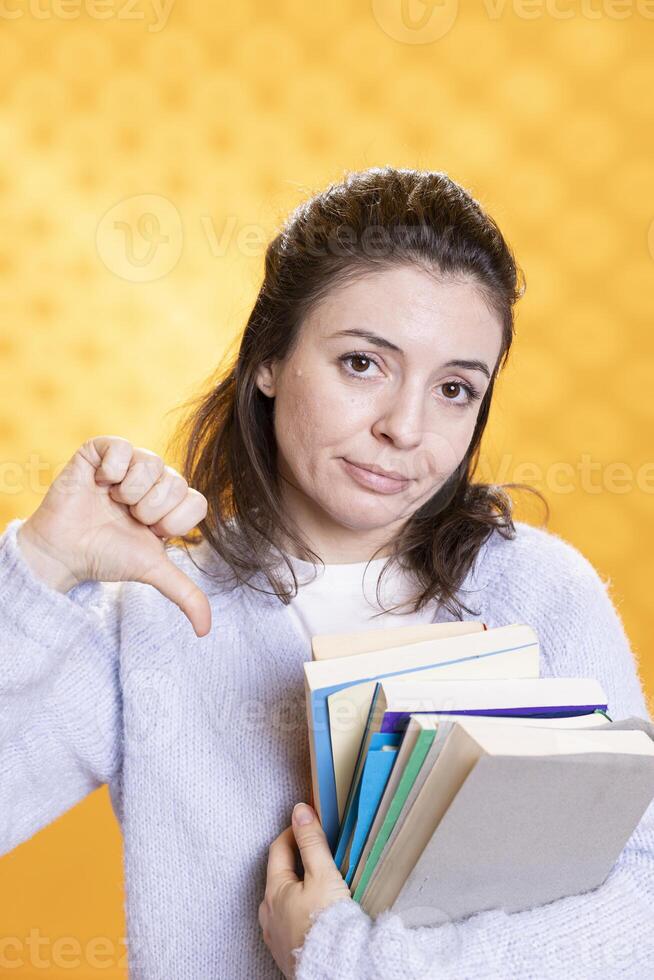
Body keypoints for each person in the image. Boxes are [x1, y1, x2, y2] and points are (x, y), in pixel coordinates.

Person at [1, 166, 651, 980]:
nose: (406, 428)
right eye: (362, 364)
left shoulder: (538, 594)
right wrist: (42, 568)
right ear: (270, 358)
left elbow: (641, 910)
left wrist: (340, 957)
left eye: (455, 388)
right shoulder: (157, 613)